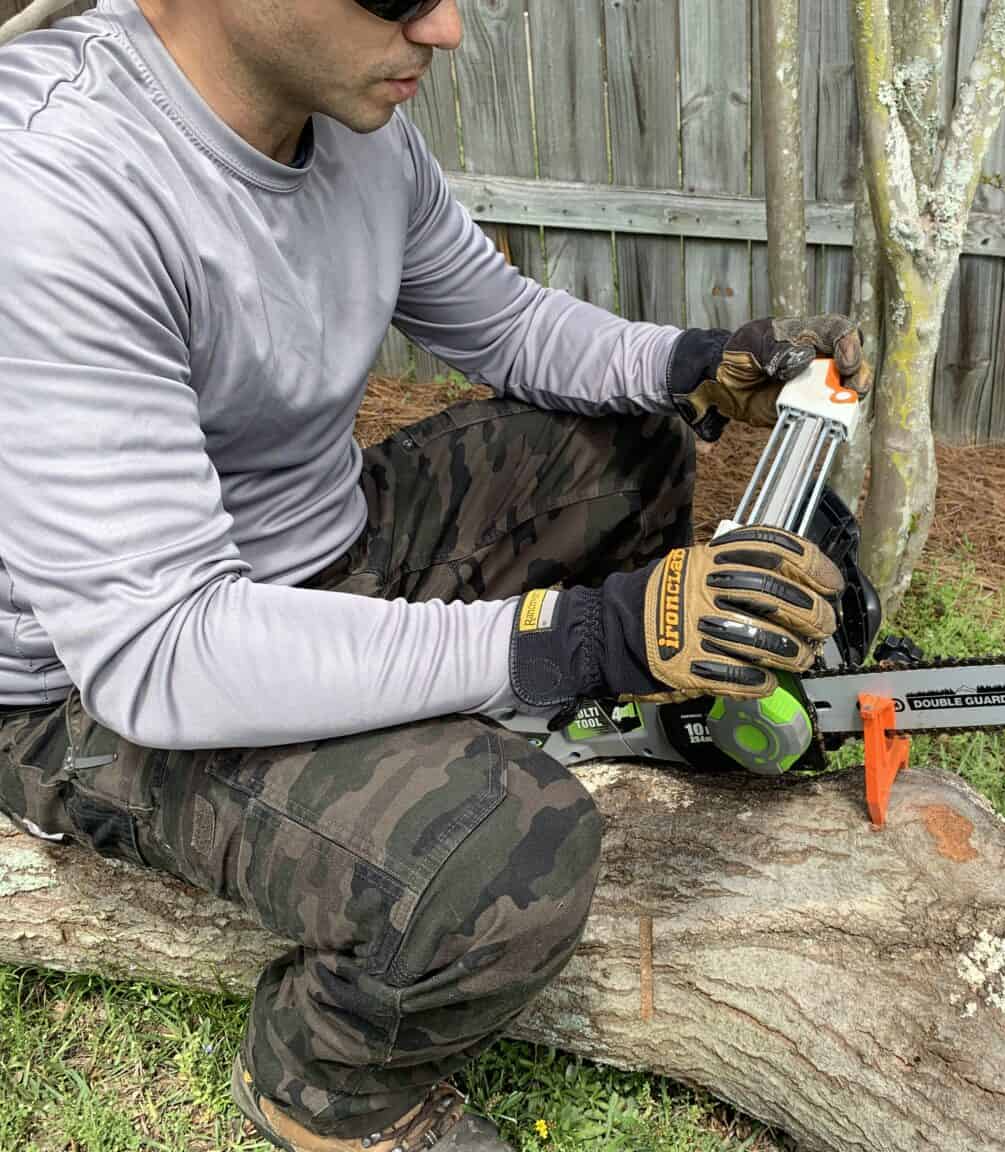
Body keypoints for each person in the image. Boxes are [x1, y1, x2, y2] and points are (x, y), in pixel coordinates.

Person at [0, 0, 871, 1147]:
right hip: (91, 681)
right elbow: (161, 651)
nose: (449, 28)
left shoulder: (348, 110)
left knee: (632, 440)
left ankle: (590, 687)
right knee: (502, 847)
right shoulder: (53, 190)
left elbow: (502, 323)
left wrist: (691, 366)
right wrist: (580, 634)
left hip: (330, 542)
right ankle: (325, 1093)